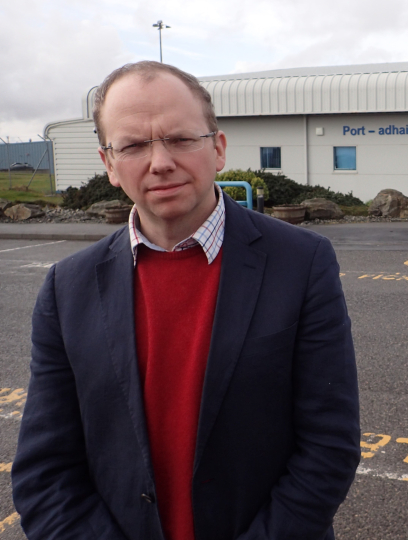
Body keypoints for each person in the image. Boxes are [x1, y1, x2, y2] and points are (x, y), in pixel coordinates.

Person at [12, 61, 360, 540]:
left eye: (179, 139)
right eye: (133, 145)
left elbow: (329, 445)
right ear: (109, 165)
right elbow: (45, 471)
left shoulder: (302, 262)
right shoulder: (66, 288)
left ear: (217, 149)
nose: (160, 162)